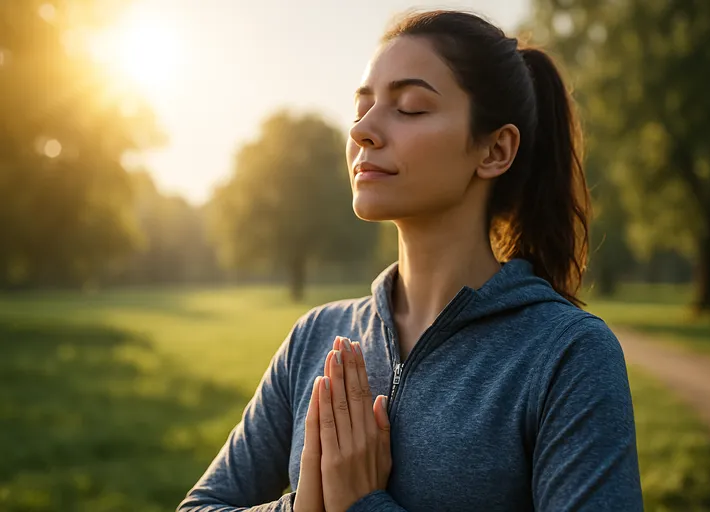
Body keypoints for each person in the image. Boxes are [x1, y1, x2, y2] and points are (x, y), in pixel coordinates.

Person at [177, 9, 643, 512]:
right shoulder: (313, 338)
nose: (363, 132)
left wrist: (361, 505)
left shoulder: (566, 355)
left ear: (494, 150)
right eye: (362, 108)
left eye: (411, 108)